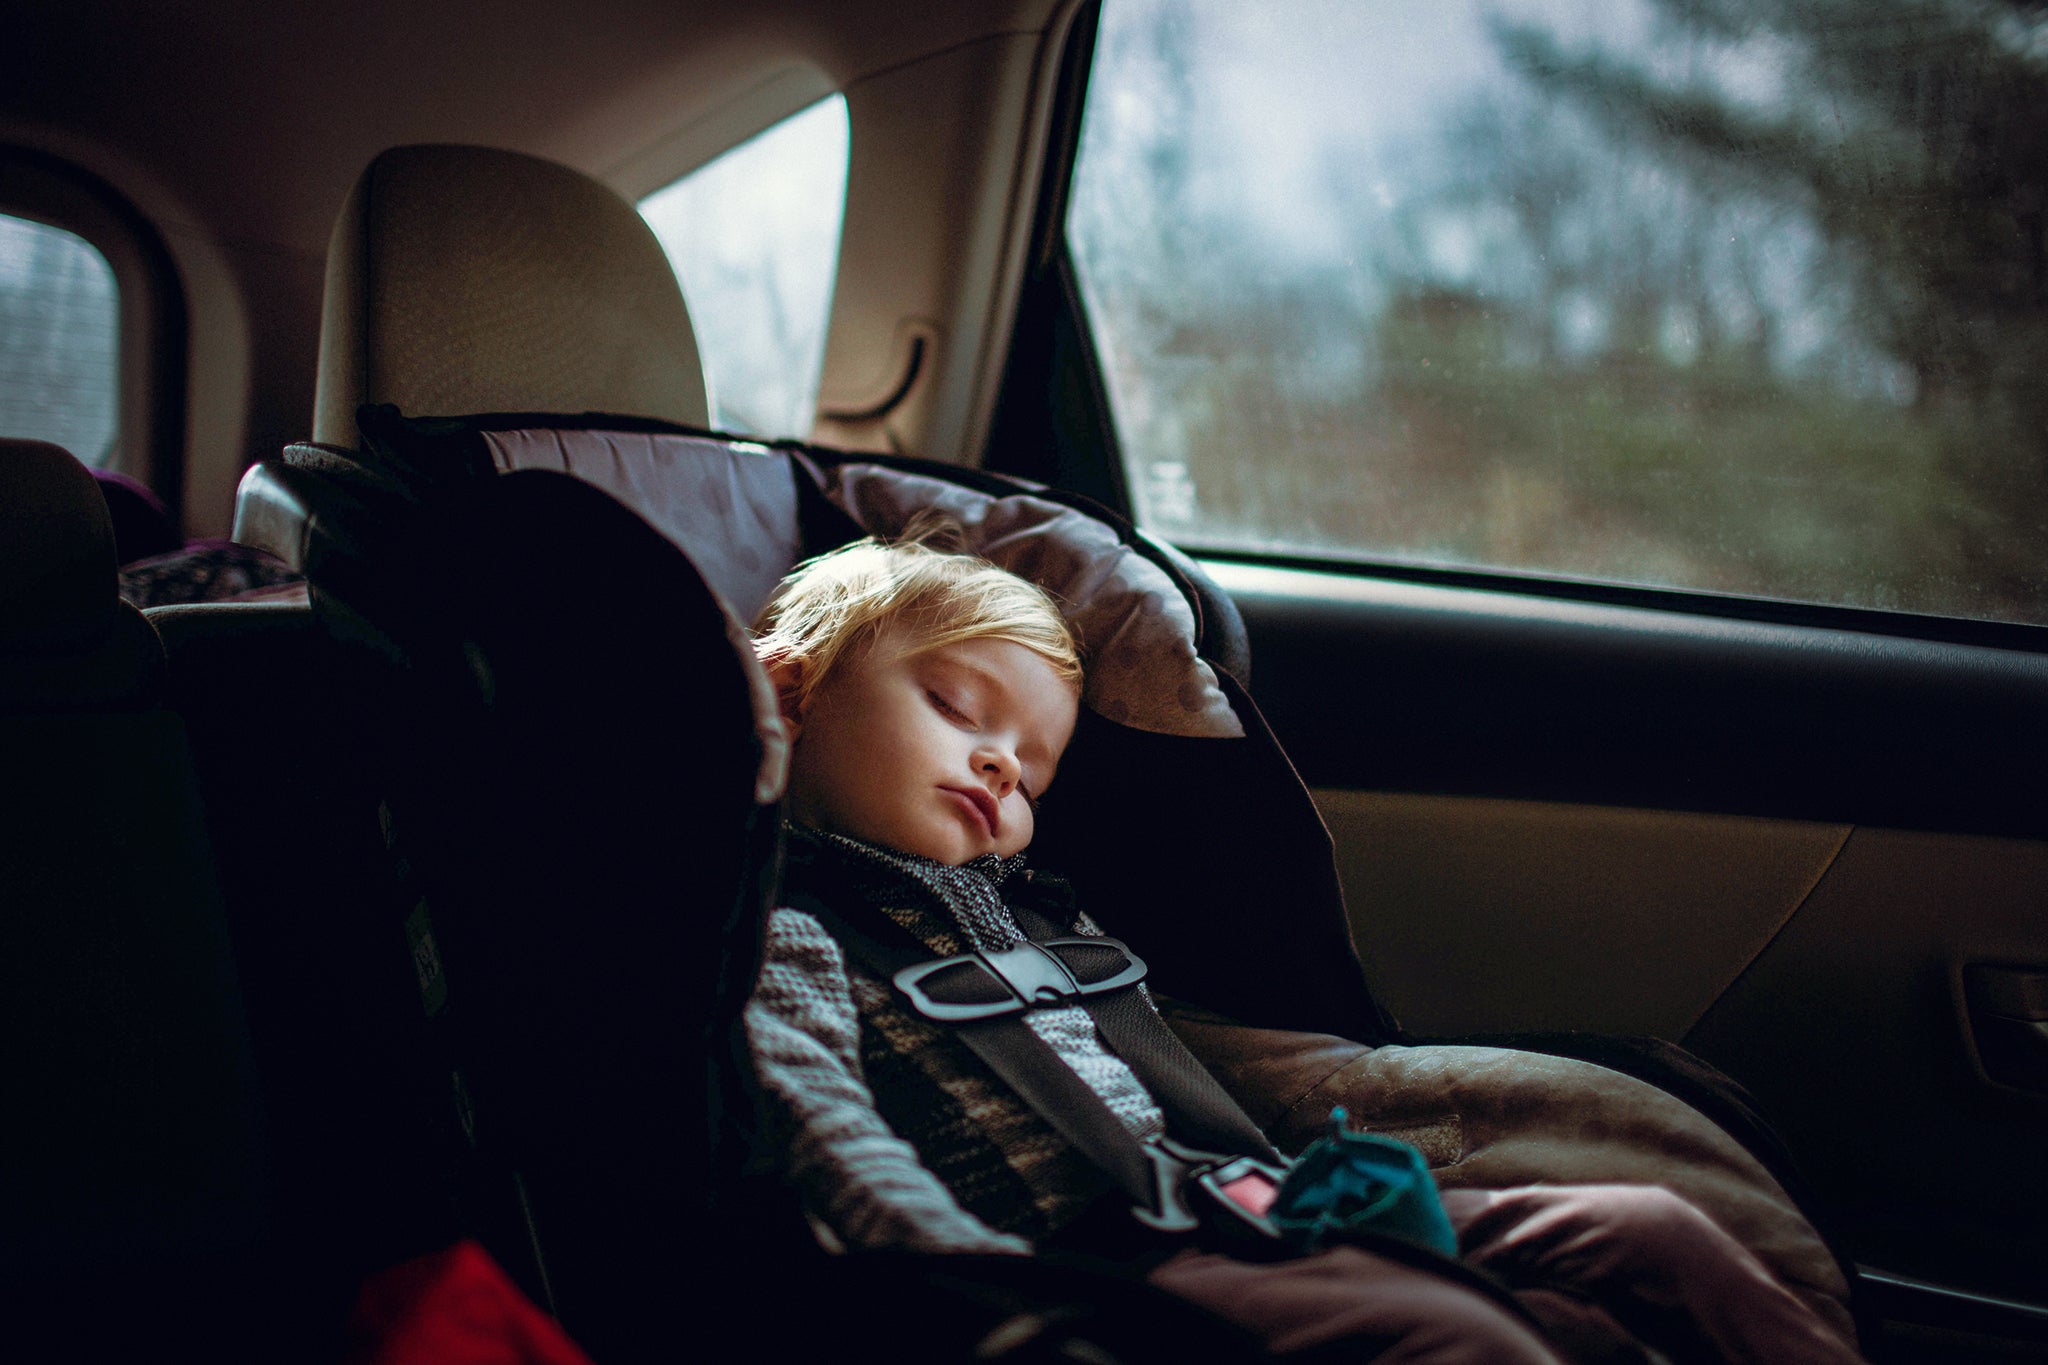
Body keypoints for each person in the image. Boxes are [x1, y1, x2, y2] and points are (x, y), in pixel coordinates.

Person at [743, 527, 1865, 1364]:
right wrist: (981, 1300)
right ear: (788, 694)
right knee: (1467, 1343)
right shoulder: (780, 929)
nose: (999, 765)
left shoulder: (1037, 912)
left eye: (1031, 770)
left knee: (1644, 1233)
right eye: (954, 705)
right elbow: (824, 1134)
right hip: (1089, 1274)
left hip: (1258, 1205)